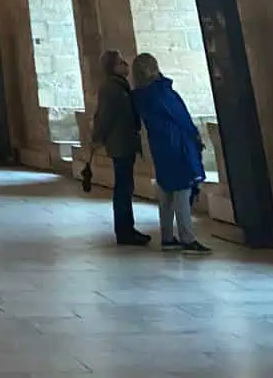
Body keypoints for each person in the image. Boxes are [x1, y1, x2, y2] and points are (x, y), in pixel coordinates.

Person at [131, 53, 210, 254]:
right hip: (177, 144)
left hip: (160, 146)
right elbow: (181, 117)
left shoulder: (141, 96)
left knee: (166, 191)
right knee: (182, 190)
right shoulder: (161, 93)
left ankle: (167, 236)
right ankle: (187, 238)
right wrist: (195, 137)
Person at [90, 48, 150, 246]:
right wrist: (97, 138)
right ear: (112, 67)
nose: (125, 65)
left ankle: (127, 228)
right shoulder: (111, 88)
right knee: (123, 187)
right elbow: (104, 117)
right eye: (121, 62)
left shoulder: (119, 86)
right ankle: (124, 231)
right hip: (120, 144)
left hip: (125, 142)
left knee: (126, 186)